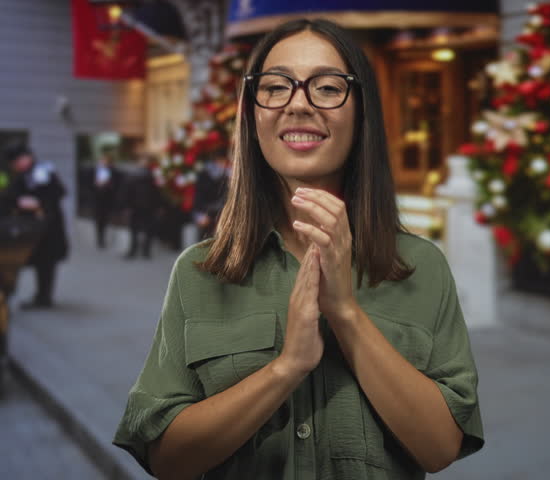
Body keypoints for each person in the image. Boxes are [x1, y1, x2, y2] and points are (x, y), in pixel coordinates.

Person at [113, 19, 484, 479]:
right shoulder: (200, 271)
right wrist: (286, 368)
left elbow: (440, 448)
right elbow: (166, 460)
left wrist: (345, 313)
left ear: (361, 114)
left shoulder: (420, 267)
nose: (299, 103)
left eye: (327, 88)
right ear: (253, 116)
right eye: (276, 87)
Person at [5, 144, 68, 309]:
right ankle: (41, 295)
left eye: (17, 161)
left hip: (47, 227)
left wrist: (38, 203)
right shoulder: (23, 175)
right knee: (38, 261)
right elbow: (11, 195)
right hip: (31, 227)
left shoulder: (42, 171)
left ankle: (44, 297)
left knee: (46, 262)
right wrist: (19, 202)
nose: (16, 166)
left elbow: (58, 192)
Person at [120, 154, 159, 259]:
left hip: (149, 206)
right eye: (142, 161)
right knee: (134, 230)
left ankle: (146, 251)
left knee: (149, 229)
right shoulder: (132, 176)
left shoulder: (153, 176)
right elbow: (127, 191)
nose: (144, 163)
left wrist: (157, 206)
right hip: (135, 207)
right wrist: (127, 205)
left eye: (146, 161)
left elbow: (156, 193)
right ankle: (133, 250)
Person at [192, 149, 230, 242]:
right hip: (206, 212)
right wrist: (200, 214)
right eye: (221, 161)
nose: (223, 164)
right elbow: (199, 197)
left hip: (221, 212)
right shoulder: (204, 175)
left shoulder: (227, 175)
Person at [91, 149, 119, 249]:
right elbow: (89, 185)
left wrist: (108, 185)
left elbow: (116, 185)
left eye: (106, 160)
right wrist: (96, 185)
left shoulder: (113, 172)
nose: (104, 162)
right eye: (102, 160)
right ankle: (100, 239)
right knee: (99, 220)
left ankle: (107, 239)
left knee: (107, 219)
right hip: (98, 200)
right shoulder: (95, 171)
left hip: (108, 199)